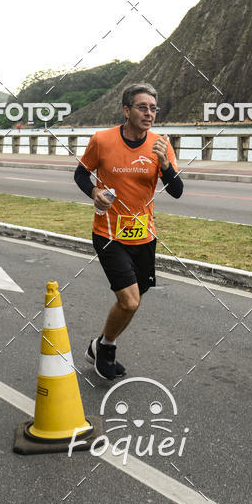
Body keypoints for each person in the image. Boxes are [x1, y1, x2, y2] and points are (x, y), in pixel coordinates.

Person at [74, 83, 184, 380]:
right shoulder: (102, 140)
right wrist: (94, 191)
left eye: (153, 108)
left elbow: (176, 191)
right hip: (108, 234)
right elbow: (81, 173)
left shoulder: (161, 144)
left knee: (136, 297)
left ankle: (97, 345)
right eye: (142, 107)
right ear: (127, 110)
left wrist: (165, 164)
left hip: (144, 236)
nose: (149, 113)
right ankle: (106, 348)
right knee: (130, 300)